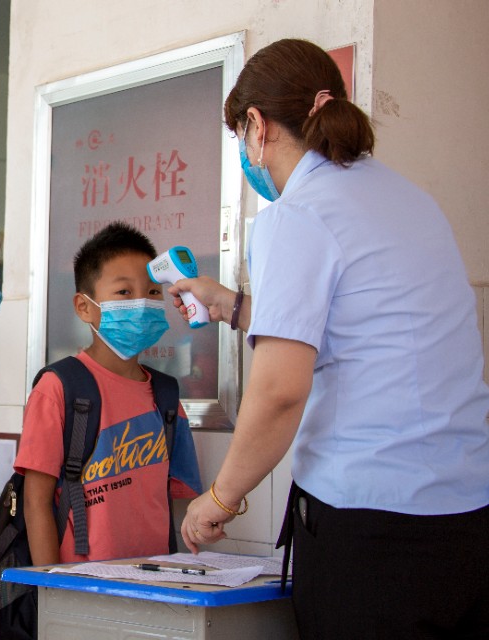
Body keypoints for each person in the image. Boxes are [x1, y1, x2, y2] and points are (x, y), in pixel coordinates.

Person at [171, 38, 489, 639]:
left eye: (242, 135)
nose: (246, 152)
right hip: (466, 521)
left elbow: (280, 392)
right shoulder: (410, 199)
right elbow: (360, 326)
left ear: (258, 126)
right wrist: (235, 307)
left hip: (374, 534)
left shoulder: (297, 215)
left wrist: (220, 498)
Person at [14, 222, 200, 567]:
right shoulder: (58, 387)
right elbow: (35, 503)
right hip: (81, 585)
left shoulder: (166, 395)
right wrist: (52, 588)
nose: (142, 303)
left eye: (152, 292)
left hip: (153, 581)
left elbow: (173, 498)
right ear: (84, 307)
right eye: (124, 293)